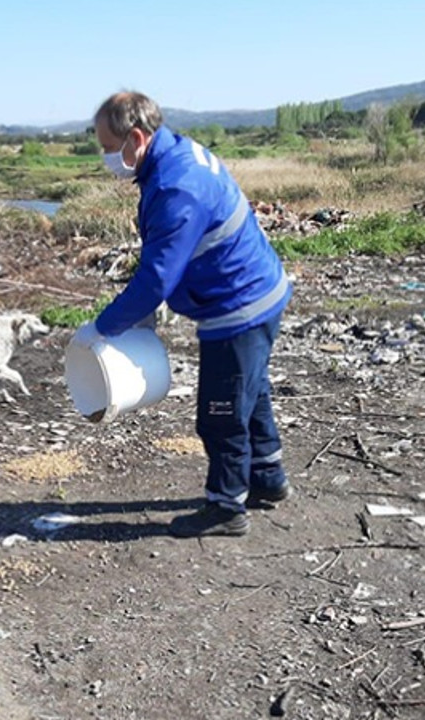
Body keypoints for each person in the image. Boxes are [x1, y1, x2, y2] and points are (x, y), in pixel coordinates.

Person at [71, 91, 293, 538]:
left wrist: (103, 327)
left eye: (109, 147)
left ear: (136, 137)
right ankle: (267, 479)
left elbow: (156, 279)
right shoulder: (176, 155)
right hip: (258, 291)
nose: (106, 157)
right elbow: (164, 259)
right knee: (251, 392)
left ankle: (226, 508)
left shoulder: (177, 187)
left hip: (237, 305)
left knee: (221, 411)